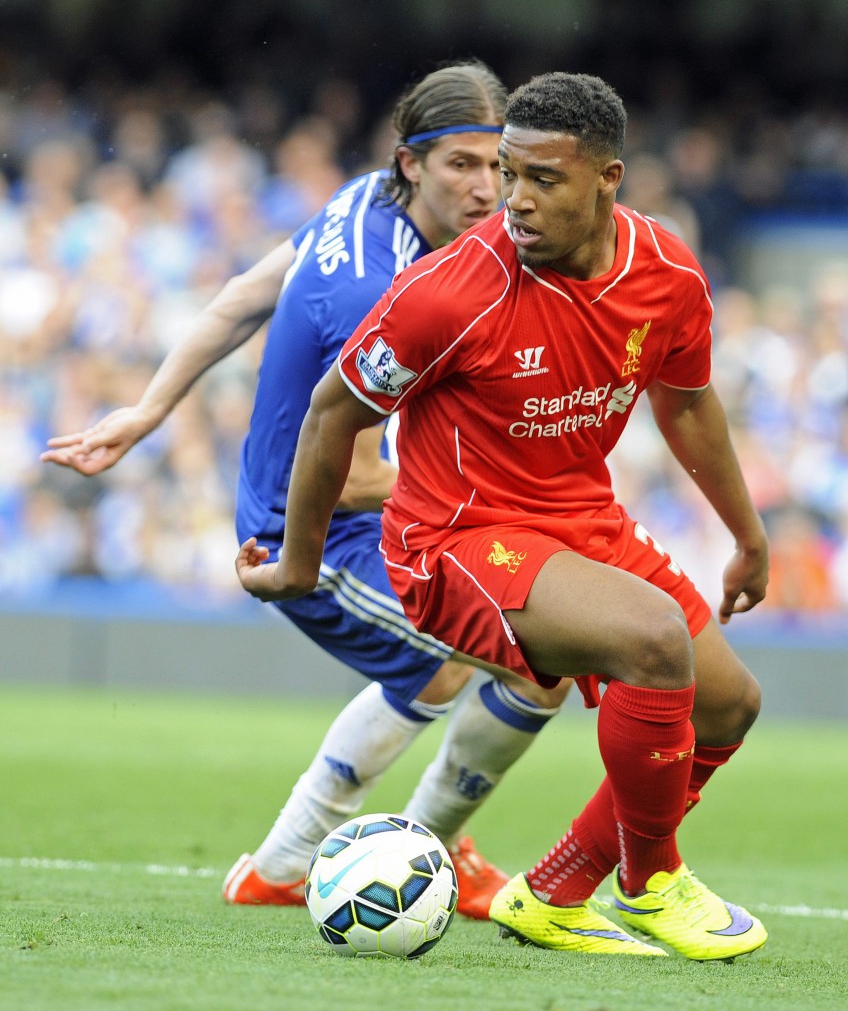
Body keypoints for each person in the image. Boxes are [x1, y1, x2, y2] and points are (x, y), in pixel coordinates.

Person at [234, 71, 770, 961]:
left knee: (726, 705)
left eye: (541, 180)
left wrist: (748, 536)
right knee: (653, 643)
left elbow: (686, 405)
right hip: (453, 539)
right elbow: (334, 411)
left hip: (577, 519)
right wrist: (299, 560)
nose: (512, 199)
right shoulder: (452, 290)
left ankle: (556, 892)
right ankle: (651, 885)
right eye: (507, 174)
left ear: (609, 180)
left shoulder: (667, 271)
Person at [41, 61, 571, 921]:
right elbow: (358, 476)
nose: (487, 190)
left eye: (498, 167)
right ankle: (399, 852)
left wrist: (148, 407)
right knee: (527, 657)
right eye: (461, 166)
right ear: (411, 164)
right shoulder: (376, 285)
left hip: (358, 508)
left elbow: (245, 297)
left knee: (472, 664)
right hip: (313, 531)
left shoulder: (364, 202)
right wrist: (509, 506)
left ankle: (325, 860)